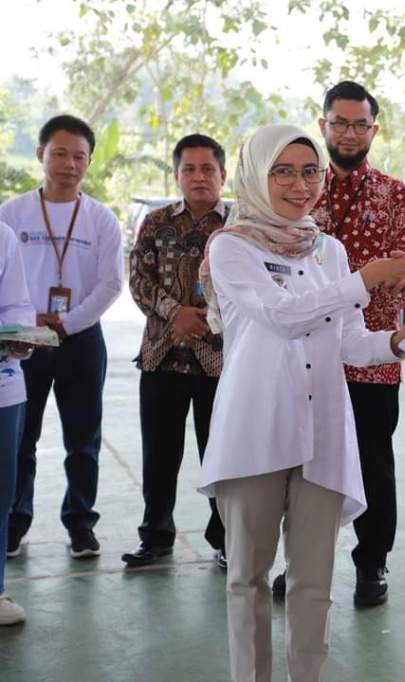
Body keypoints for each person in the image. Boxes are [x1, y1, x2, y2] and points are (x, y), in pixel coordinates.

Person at [196, 124, 405, 681]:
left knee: (314, 584)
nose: (300, 185)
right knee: (247, 578)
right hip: (255, 430)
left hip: (323, 430)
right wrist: (366, 278)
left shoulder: (328, 249)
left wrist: (399, 340)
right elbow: (282, 316)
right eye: (284, 171)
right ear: (257, 175)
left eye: (310, 171)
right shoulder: (231, 247)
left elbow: (350, 340)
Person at [272, 80, 405, 606]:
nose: (350, 133)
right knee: (300, 463)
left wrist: (365, 284)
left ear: (374, 130)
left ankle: (372, 564)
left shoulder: (399, 197)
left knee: (374, 464)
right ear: (322, 126)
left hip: (373, 357)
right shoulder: (296, 194)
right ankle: (297, 564)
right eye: (340, 123)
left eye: (361, 124)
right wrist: (366, 276)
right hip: (302, 357)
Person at [2, 114, 123, 560]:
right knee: (20, 437)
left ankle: (80, 523)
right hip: (22, 342)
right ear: (40, 155)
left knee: (83, 437)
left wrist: (67, 322)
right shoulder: (11, 214)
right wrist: (26, 321)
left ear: (89, 163)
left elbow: (110, 284)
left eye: (79, 156)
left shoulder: (101, 219)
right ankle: (15, 521)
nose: (69, 164)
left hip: (82, 341)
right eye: (60, 154)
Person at [123, 134, 230, 569]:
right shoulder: (155, 221)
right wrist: (177, 313)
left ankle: (226, 540)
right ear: (177, 175)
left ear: (223, 174)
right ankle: (156, 536)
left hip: (221, 363)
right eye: (190, 169)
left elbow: (252, 284)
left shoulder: (240, 225)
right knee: (160, 454)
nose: (199, 177)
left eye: (208, 169)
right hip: (161, 357)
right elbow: (139, 279)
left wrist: (205, 317)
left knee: (221, 454)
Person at [0, 222, 35, 625]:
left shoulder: (5, 236)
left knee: (0, 492)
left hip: (4, 387)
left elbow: (15, 306)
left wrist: (20, 334)